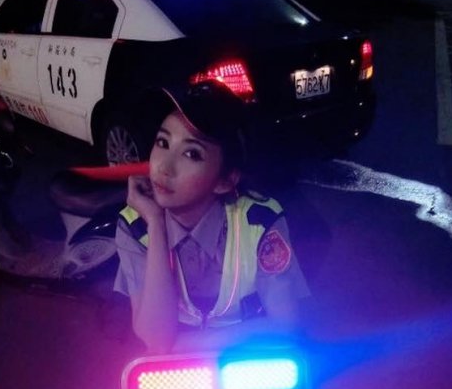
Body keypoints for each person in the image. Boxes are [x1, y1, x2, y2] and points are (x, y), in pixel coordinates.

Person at [113, 81, 309, 354]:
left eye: (192, 153)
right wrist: (156, 225)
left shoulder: (259, 221)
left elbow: (287, 326)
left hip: (247, 366)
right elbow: (155, 339)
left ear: (225, 181)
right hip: (182, 374)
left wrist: (182, 347)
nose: (164, 167)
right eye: (163, 142)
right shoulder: (135, 226)